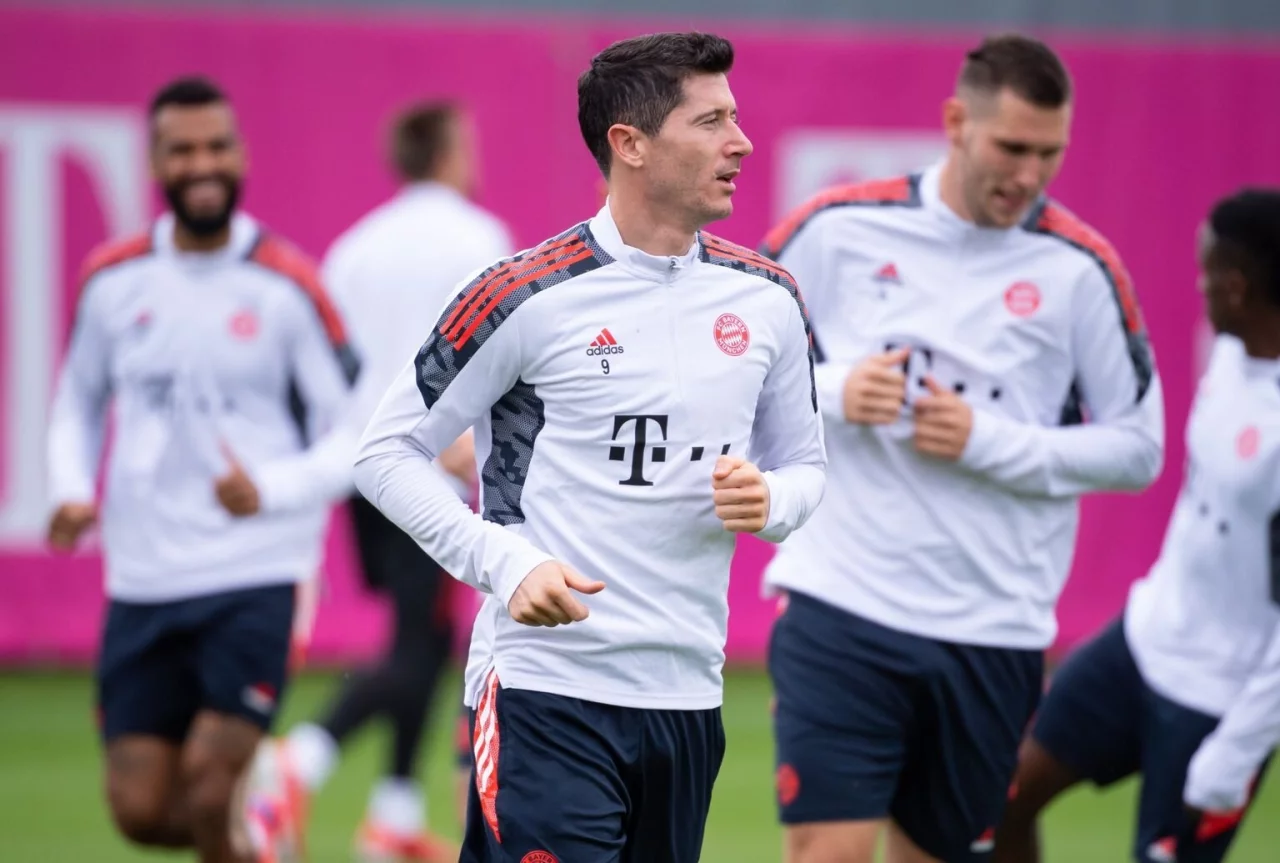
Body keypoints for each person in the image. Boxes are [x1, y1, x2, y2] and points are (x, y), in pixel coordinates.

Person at [354, 30, 826, 863]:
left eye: (735, 117)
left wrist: (771, 499)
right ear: (630, 143)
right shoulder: (521, 294)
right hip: (546, 691)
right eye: (711, 120)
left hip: (688, 699)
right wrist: (505, 562)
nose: (741, 142)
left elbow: (805, 470)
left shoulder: (769, 299)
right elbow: (384, 452)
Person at [759, 33, 1165, 863]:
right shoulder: (836, 227)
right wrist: (833, 390)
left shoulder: (1081, 268)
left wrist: (992, 441)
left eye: (1049, 154)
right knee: (828, 852)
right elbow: (728, 367)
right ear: (955, 123)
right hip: (841, 601)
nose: (1029, 174)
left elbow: (1139, 448)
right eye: (1012, 148)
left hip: (992, 627)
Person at [45, 76, 358, 863]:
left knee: (212, 786)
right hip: (144, 576)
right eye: (182, 150)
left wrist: (270, 489)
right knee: (142, 810)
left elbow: (357, 433)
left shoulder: (287, 284)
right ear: (157, 163)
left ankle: (248, 808)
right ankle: (266, 831)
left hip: (257, 570)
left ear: (241, 154)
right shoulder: (112, 280)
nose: (202, 164)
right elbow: (76, 404)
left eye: (217, 146)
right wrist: (72, 490)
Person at [248, 100, 511, 863]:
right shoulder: (478, 237)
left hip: (364, 465)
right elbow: (495, 348)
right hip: (430, 470)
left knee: (420, 637)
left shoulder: (354, 248)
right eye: (467, 142)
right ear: (448, 151)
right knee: (420, 645)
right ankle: (300, 758)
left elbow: (329, 364)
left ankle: (393, 813)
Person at [993, 188, 1280, 863]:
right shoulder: (1231, 354)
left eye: (1207, 271)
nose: (1197, 286)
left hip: (1219, 699)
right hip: (1143, 641)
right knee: (997, 799)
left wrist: (1236, 753)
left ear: (1236, 287)